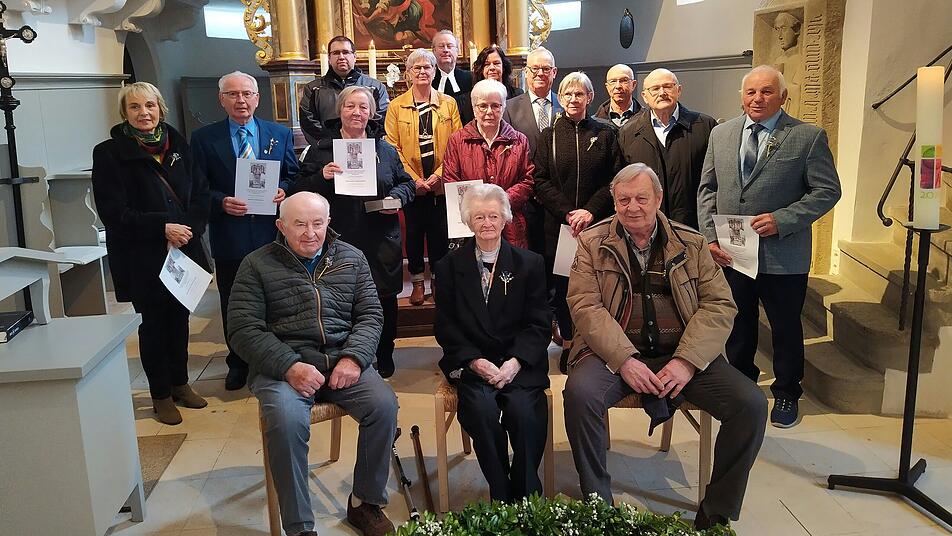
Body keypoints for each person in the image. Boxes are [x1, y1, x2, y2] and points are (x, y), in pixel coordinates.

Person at [564, 163, 767, 530]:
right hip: (614, 353)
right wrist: (624, 359)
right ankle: (598, 505)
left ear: (658, 199)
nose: (632, 207)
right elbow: (585, 307)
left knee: (750, 404)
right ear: (614, 201)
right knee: (580, 395)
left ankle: (717, 509)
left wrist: (687, 361)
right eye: (623, 200)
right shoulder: (592, 243)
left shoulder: (692, 243)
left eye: (641, 198)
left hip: (682, 352)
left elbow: (720, 305)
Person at [228, 192, 398, 536]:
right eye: (300, 224)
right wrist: (290, 366)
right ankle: (300, 526)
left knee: (383, 406)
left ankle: (364, 503)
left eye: (318, 223)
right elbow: (243, 329)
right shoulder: (256, 264)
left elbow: (370, 314)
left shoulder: (351, 257)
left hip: (341, 361)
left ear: (328, 223)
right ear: (281, 226)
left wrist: (353, 358)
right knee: (286, 421)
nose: (310, 233)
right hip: (283, 368)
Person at [697, 65, 841, 428]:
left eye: (766, 91)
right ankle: (741, 385)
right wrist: (710, 237)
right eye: (751, 92)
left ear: (783, 97)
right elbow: (708, 189)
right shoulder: (721, 134)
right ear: (742, 97)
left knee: (785, 327)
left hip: (783, 254)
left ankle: (787, 392)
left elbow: (827, 191)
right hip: (733, 252)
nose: (757, 99)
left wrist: (783, 219)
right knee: (738, 322)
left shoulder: (807, 136)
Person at [92, 82, 210, 425]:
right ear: (124, 113)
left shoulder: (178, 144)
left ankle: (180, 383)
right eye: (135, 107)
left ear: (160, 108)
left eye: (150, 105)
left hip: (183, 249)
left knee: (180, 320)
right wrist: (162, 227)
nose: (144, 112)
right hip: (142, 255)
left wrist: (188, 229)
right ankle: (160, 395)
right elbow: (113, 212)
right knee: (154, 325)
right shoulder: (110, 153)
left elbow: (200, 194)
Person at [434, 183, 550, 503]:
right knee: (482, 413)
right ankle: (501, 491)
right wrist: (474, 361)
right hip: (475, 364)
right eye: (479, 217)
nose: (487, 223)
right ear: (468, 221)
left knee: (525, 415)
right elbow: (445, 326)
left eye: (494, 216)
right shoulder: (448, 267)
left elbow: (539, 323)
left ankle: (525, 493)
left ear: (505, 219)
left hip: (518, 364)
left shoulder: (530, 263)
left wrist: (515, 362)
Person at [295, 86, 415, 378]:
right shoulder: (321, 150)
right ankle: (347, 355)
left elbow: (407, 183)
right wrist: (321, 177)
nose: (357, 112)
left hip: (380, 237)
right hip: (338, 238)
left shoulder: (384, 149)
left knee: (384, 299)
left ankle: (384, 352)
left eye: (363, 107)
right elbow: (297, 189)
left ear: (371, 113)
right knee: (341, 299)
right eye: (350, 106)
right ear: (340, 110)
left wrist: (397, 198)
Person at [191, 70, 297, 391]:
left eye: (247, 93)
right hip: (230, 233)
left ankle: (276, 358)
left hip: (271, 232)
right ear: (221, 99)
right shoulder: (204, 139)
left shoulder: (278, 133)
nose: (241, 100)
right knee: (234, 300)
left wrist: (284, 189)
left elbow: (293, 174)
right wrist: (221, 202)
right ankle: (238, 362)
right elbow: (197, 187)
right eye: (233, 94)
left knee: (277, 299)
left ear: (257, 98)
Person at [533, 71, 623, 373]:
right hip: (561, 228)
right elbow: (540, 180)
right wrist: (569, 213)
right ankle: (570, 343)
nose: (574, 99)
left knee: (597, 287)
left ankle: (596, 344)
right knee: (564, 289)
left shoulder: (606, 134)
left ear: (590, 97)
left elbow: (614, 179)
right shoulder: (547, 136)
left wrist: (590, 211)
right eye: (568, 94)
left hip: (596, 225)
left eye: (580, 94)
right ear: (560, 98)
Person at [385, 48, 462, 305]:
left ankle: (438, 281)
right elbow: (392, 147)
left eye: (427, 67)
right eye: (416, 67)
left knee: (440, 235)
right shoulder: (396, 106)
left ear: (434, 71)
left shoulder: (448, 104)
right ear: (408, 73)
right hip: (412, 185)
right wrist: (413, 179)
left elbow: (456, 144)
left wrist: (439, 175)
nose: (422, 71)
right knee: (414, 235)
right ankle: (417, 282)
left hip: (440, 184)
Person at [617, 68, 716, 229]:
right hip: (646, 228)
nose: (662, 93)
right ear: (645, 96)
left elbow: (714, 181)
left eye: (668, 86)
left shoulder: (705, 126)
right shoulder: (627, 133)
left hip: (694, 227)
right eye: (655, 88)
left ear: (679, 90)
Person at [443, 79, 535, 249]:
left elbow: (527, 180)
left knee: (509, 265)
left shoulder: (519, 140)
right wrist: (479, 206)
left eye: (495, 106)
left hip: (509, 222)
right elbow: (450, 180)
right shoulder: (457, 140)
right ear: (474, 108)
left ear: (503, 107)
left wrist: (501, 200)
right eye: (483, 106)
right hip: (471, 225)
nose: (489, 111)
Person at [299, 36, 391, 147]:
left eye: (346, 52)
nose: (341, 57)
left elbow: (382, 118)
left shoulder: (375, 87)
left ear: (354, 56)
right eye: (336, 53)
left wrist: (364, 140)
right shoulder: (314, 89)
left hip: (367, 147)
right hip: (328, 149)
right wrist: (330, 143)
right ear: (329, 58)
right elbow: (308, 121)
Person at [458, 45, 524, 125]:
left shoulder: (517, 95)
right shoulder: (470, 98)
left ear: (503, 67)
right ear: (481, 69)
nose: (492, 67)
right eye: (487, 64)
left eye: (496, 63)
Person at [772, 12, 803, 118]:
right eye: (777, 29)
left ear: (796, 30)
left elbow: (798, 89)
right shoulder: (778, 60)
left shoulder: (801, 59)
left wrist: (777, 83)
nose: (780, 36)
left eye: (784, 28)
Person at [431, 30, 473, 105]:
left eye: (449, 46)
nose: (446, 50)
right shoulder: (429, 80)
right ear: (434, 51)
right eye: (441, 46)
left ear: (457, 51)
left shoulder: (470, 78)